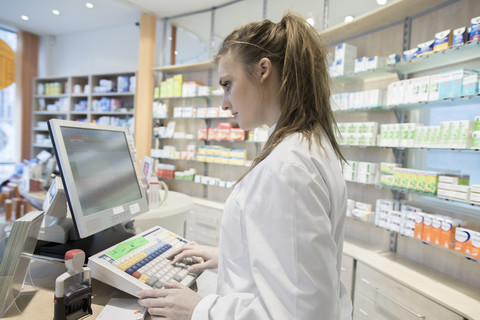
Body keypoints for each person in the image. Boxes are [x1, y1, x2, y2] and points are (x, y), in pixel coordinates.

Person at [138, 11, 353, 320]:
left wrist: (200, 309)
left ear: (263, 69)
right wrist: (230, 257)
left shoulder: (287, 166)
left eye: (228, 84)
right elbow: (296, 264)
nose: (224, 103)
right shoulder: (306, 143)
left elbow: (299, 313)